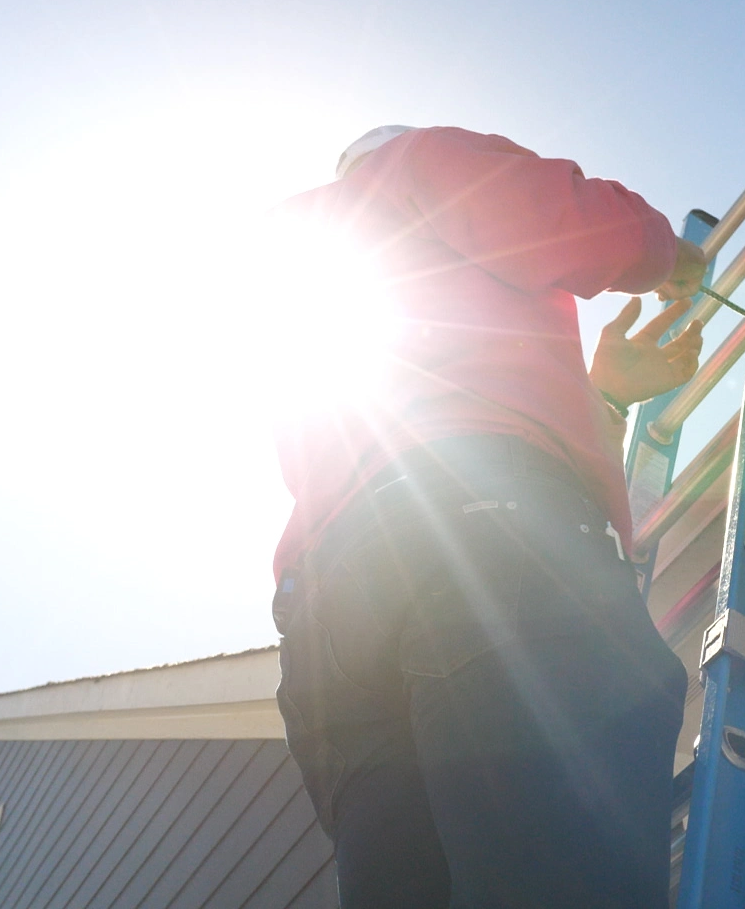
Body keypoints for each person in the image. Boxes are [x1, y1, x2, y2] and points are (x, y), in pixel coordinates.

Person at [270, 124, 708, 908]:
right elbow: (548, 213)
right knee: (560, 860)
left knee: (409, 877)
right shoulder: (416, 163)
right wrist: (669, 255)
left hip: (324, 620)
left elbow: (429, 402)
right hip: (474, 526)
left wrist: (599, 396)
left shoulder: (290, 254)